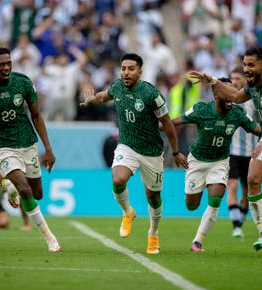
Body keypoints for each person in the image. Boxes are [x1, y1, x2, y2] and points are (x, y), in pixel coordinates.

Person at [188, 45, 262, 251]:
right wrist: (213, 81)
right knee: (252, 180)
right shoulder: (252, 88)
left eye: (251, 65)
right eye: (244, 65)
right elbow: (235, 96)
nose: (246, 69)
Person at [80, 53, 188, 255]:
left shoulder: (150, 94)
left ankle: (153, 234)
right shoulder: (118, 87)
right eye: (123, 68)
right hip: (127, 145)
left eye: (131, 69)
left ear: (140, 71)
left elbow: (167, 124)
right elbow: (104, 96)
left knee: (153, 197)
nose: (126, 73)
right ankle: (128, 212)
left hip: (152, 151)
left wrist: (175, 152)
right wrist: (91, 101)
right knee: (118, 178)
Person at [0, 47, 60, 252]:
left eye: (9, 63)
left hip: (28, 143)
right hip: (2, 147)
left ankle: (9, 187)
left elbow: (36, 116)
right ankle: (50, 238)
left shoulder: (24, 83)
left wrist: (48, 147)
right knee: (25, 189)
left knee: (37, 194)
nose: (6, 67)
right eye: (1, 64)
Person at [170, 77, 260, 252]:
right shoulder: (202, 109)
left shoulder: (237, 113)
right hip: (197, 162)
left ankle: (197, 241)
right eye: (225, 91)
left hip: (219, 162)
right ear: (215, 93)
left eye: (232, 92)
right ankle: (197, 188)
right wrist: (155, 125)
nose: (230, 96)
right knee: (191, 205)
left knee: (215, 199)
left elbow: (255, 128)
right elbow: (173, 122)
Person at [227, 66, 257, 238]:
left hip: (250, 153)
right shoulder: (227, 98)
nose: (235, 82)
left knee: (247, 191)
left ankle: (239, 224)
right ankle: (236, 225)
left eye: (238, 78)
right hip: (232, 152)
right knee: (232, 186)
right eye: (233, 78)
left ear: (245, 80)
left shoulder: (252, 99)